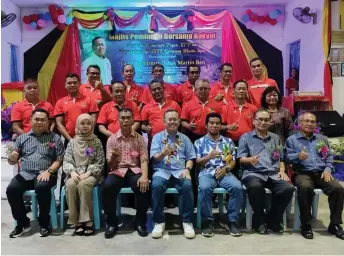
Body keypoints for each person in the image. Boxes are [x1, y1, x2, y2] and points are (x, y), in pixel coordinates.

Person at [285, 112, 344, 240]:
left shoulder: (321, 139)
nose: (310, 124)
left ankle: (335, 224)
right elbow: (287, 158)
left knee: (338, 189)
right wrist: (297, 157)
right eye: (306, 121)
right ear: (299, 123)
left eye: (312, 122)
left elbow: (329, 157)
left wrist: (328, 169)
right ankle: (305, 225)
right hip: (302, 173)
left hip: (322, 173)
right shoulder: (292, 140)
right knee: (305, 188)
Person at [6, 108, 64, 238]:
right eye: (36, 119)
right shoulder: (22, 138)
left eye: (43, 120)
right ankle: (22, 223)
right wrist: (12, 158)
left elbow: (59, 159)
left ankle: (44, 223)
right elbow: (12, 161)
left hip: (46, 173)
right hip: (25, 174)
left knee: (42, 187)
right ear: (31, 120)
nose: (39, 122)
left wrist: (49, 171)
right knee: (12, 189)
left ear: (48, 122)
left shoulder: (54, 138)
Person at [237, 109, 295, 234]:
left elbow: (280, 156)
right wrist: (249, 159)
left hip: (273, 173)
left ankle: (273, 218)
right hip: (253, 172)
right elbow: (240, 159)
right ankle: (259, 219)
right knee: (255, 187)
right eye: (260, 119)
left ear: (270, 122)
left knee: (288, 189)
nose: (263, 122)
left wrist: (282, 170)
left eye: (266, 120)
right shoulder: (246, 137)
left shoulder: (275, 138)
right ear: (254, 121)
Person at [103, 108, 150, 239]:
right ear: (118, 120)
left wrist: (145, 176)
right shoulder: (112, 139)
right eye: (122, 117)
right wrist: (113, 156)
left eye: (128, 117)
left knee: (143, 187)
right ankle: (111, 222)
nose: (125, 120)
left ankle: (140, 221)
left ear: (133, 120)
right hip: (117, 170)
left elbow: (144, 159)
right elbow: (110, 165)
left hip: (135, 170)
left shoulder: (139, 139)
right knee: (107, 186)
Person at [195, 112, 243, 237]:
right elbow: (197, 162)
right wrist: (209, 156)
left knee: (237, 187)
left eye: (217, 123)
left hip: (224, 172)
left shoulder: (228, 141)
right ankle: (207, 221)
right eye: (211, 123)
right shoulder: (199, 142)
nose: (214, 125)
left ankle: (232, 221)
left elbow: (232, 161)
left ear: (221, 125)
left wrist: (226, 169)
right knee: (204, 188)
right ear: (206, 125)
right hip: (206, 172)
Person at [150, 109, 196, 239]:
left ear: (179, 121)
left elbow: (191, 158)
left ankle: (187, 222)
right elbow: (154, 158)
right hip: (162, 170)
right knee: (157, 186)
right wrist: (163, 154)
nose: (172, 121)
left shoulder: (185, 139)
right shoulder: (157, 138)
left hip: (180, 170)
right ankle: (159, 222)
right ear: (164, 122)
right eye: (169, 119)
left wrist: (187, 169)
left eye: (175, 119)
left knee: (187, 185)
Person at [63, 114, 104, 236]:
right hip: (75, 173)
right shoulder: (72, 142)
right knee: (70, 185)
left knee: (83, 185)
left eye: (88, 123)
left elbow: (100, 161)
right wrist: (72, 172)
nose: (85, 126)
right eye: (82, 123)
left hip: (92, 174)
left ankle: (87, 220)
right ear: (77, 125)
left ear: (92, 125)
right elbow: (67, 160)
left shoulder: (96, 141)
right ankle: (75, 220)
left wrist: (88, 173)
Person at [54, 73, 99, 145]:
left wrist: (85, 136)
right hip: (69, 140)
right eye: (69, 83)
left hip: (88, 139)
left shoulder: (89, 100)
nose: (72, 85)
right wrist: (71, 140)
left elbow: (93, 120)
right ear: (65, 85)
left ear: (79, 84)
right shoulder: (60, 102)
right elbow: (59, 124)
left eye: (75, 82)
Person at [181, 78, 222, 143]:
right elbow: (183, 121)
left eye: (205, 89)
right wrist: (188, 126)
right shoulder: (188, 105)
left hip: (212, 137)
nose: (203, 91)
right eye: (200, 89)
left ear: (209, 90)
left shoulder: (217, 104)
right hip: (193, 137)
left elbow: (221, 122)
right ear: (195, 90)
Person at [221, 80, 257, 146]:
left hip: (249, 142)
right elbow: (220, 126)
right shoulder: (226, 107)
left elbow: (256, 127)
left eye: (244, 89)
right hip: (231, 142)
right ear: (233, 90)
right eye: (239, 89)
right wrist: (228, 127)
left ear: (247, 91)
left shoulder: (253, 108)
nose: (241, 91)